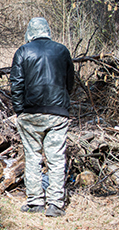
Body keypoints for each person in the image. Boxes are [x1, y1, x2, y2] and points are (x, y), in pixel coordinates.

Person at [10, 17, 74, 217]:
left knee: (33, 157)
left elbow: (16, 84)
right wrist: (62, 103)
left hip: (30, 113)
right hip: (57, 113)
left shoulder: (23, 51)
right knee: (56, 159)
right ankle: (55, 204)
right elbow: (69, 81)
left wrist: (20, 110)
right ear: (48, 30)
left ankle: (35, 201)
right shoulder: (62, 51)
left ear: (29, 32)